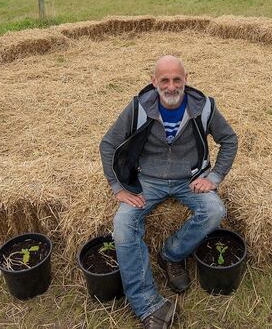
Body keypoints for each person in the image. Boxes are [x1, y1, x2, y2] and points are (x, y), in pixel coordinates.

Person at [100, 55, 238, 329]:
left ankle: (171, 255)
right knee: (124, 224)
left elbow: (229, 140)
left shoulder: (205, 107)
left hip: (190, 179)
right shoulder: (138, 107)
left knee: (214, 210)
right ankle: (148, 305)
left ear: (186, 80)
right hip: (147, 181)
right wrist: (117, 188)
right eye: (165, 80)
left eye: (177, 79)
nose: (171, 86)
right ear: (154, 82)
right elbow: (108, 144)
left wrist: (214, 177)